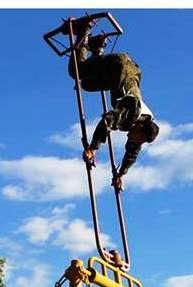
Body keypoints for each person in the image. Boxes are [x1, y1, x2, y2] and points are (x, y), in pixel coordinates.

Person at [65, 20, 159, 191]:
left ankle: (96, 47)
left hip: (120, 76)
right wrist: (93, 148)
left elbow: (132, 152)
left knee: (86, 84)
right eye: (139, 138)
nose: (136, 141)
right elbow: (108, 121)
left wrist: (121, 174)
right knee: (76, 71)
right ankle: (83, 29)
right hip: (118, 66)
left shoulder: (140, 126)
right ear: (141, 128)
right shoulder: (132, 110)